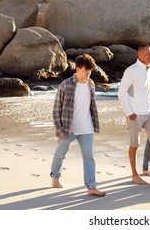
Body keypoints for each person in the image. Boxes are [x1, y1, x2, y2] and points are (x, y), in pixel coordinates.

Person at [50, 54, 106, 197]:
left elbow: (91, 106)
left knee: (89, 158)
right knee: (60, 154)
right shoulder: (66, 85)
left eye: (90, 70)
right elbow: (57, 108)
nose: (89, 73)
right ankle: (55, 177)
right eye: (86, 70)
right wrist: (59, 129)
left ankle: (91, 186)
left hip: (87, 128)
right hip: (68, 128)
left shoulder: (91, 84)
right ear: (78, 69)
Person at [118, 44, 150, 186]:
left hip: (149, 113)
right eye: (148, 54)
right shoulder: (131, 71)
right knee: (135, 145)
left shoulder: (149, 69)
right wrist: (130, 113)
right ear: (139, 55)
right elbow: (121, 93)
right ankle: (134, 175)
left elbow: (147, 92)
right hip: (135, 114)